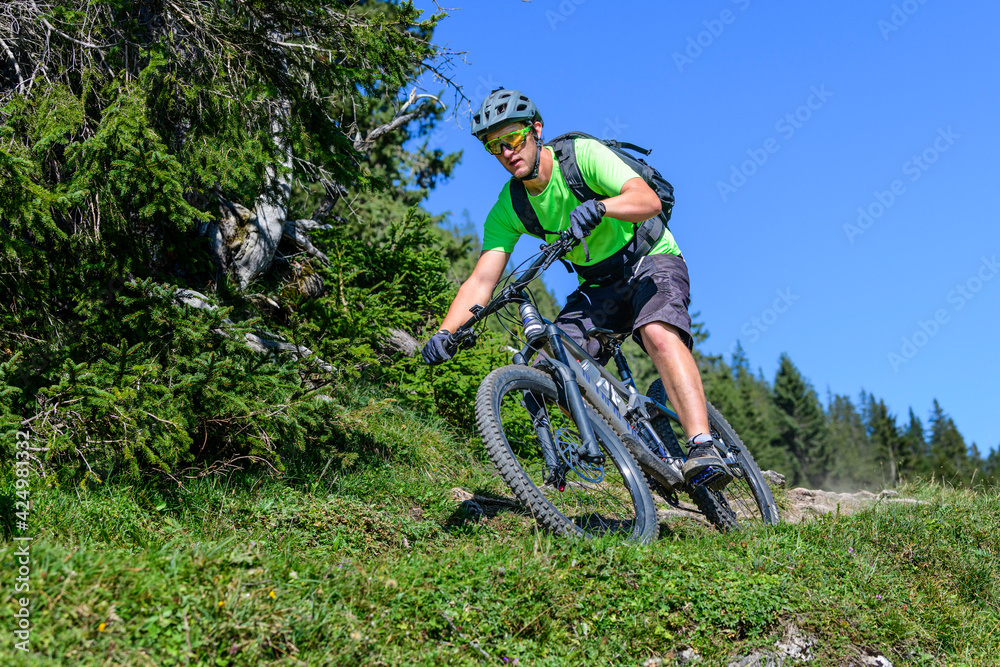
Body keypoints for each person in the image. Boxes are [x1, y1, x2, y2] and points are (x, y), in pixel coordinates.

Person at [421, 88, 730, 489]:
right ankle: (631, 440)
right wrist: (447, 331)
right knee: (551, 361)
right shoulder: (511, 206)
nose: (506, 152)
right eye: (494, 147)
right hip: (598, 283)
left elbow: (647, 200)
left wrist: (602, 206)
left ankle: (702, 445)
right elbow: (483, 277)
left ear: (536, 131)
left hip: (649, 257)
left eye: (512, 139)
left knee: (656, 331)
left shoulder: (580, 156)